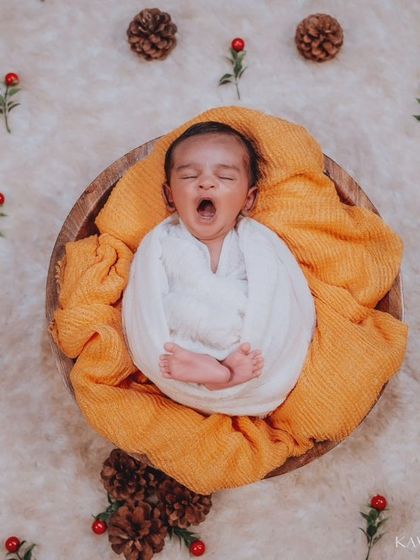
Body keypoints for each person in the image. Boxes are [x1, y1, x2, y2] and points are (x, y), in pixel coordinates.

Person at [158, 121, 265, 391]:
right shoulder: (164, 243)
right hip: (181, 349)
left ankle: (224, 373)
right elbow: (147, 296)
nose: (206, 183)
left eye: (226, 177)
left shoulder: (256, 244)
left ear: (249, 199)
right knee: (172, 325)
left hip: (242, 347)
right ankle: (213, 373)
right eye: (189, 176)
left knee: (253, 354)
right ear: (170, 196)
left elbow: (275, 292)